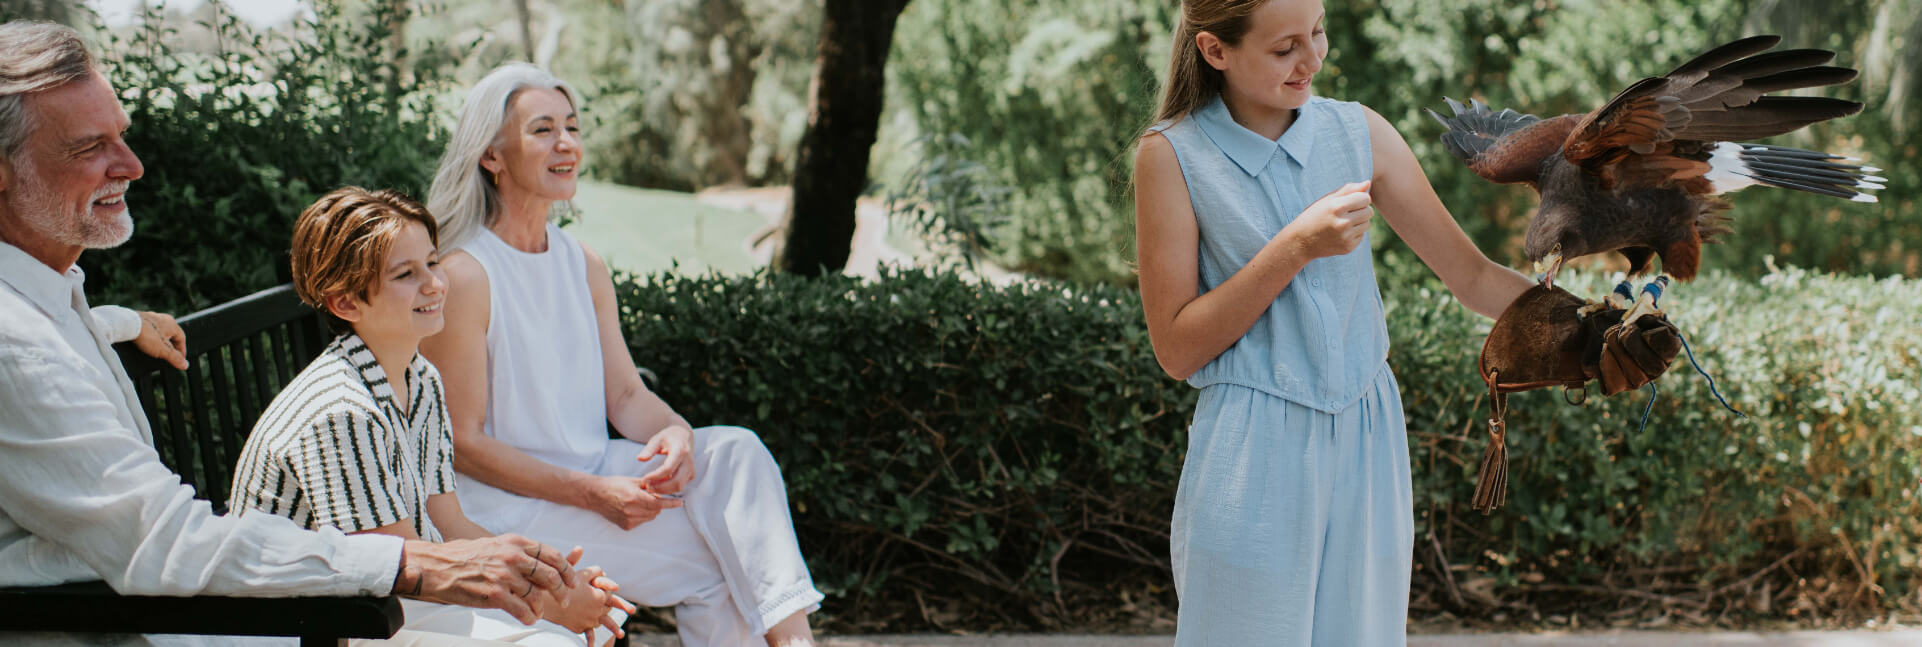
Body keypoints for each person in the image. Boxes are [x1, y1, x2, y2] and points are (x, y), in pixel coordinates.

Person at [0, 21, 580, 646]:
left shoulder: (48, 300)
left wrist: (123, 322)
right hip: (137, 626)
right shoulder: (18, 347)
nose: (132, 166)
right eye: (89, 147)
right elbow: (164, 542)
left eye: (123, 136)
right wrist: (414, 563)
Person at [1131, 1, 1537, 644]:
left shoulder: (1360, 133)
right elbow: (1178, 349)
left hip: (1367, 434)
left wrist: (1587, 321)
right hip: (1251, 448)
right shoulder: (1171, 155)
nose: (1312, 58)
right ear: (1215, 51)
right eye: (1284, 46)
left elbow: (1474, 277)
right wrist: (1294, 247)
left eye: (1317, 32)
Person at [418, 63, 823, 647]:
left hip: (593, 473)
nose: (566, 143)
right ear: (492, 156)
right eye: (542, 130)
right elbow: (464, 442)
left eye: (573, 127)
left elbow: (627, 396)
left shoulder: (582, 263)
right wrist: (593, 494)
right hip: (513, 510)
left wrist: (676, 432)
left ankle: (795, 641)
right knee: (726, 570)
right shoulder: (467, 275)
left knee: (735, 450)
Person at [227, 186, 638, 647]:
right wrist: (552, 600)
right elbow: (401, 566)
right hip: (310, 624)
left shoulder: (420, 378)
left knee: (589, 631)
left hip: (386, 601)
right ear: (346, 303)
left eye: (433, 262)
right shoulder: (340, 411)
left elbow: (448, 523)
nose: (434, 284)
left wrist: (554, 580)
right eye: (406, 274)